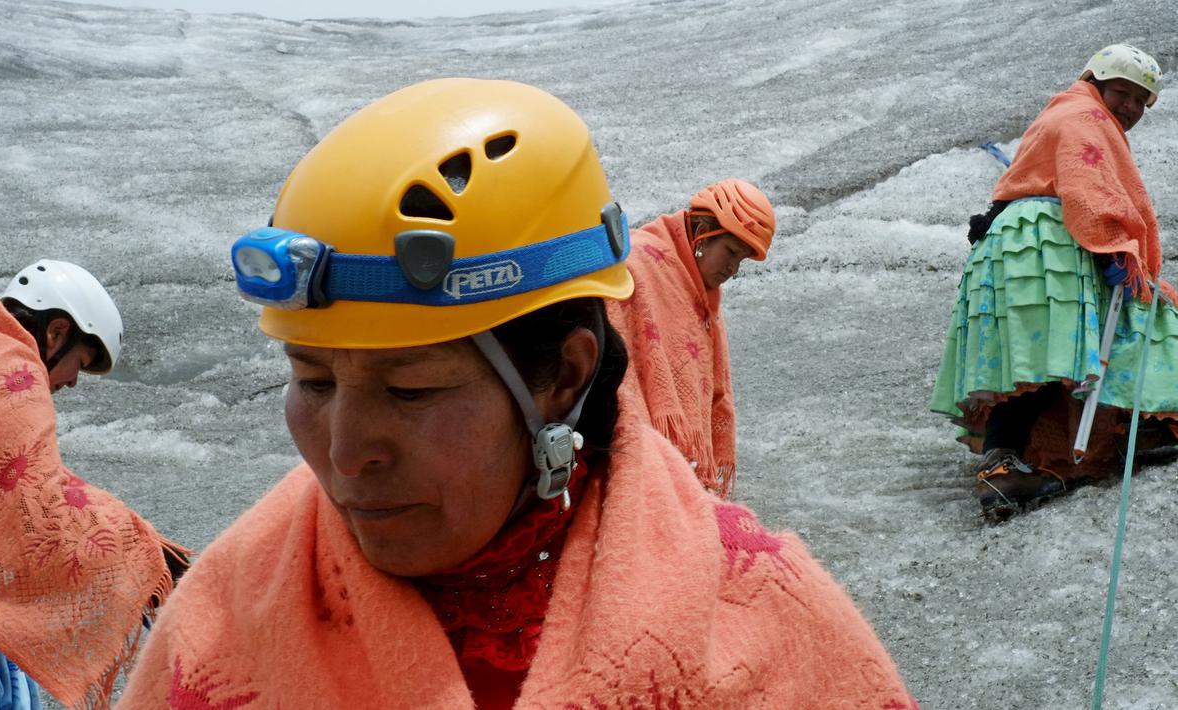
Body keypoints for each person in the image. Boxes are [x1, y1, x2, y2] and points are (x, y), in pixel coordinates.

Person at [118, 78, 914, 709]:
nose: (345, 451)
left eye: (411, 388)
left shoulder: (756, 627)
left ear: (563, 376)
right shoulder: (231, 616)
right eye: (311, 379)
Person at [931, 43, 1178, 521]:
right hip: (1049, 243)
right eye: (1122, 93)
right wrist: (1113, 246)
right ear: (1097, 81)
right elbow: (1088, 192)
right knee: (1140, 320)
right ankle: (1147, 427)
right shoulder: (1086, 119)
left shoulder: (1064, 110)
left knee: (1028, 357)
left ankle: (1001, 465)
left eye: (1139, 101)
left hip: (1010, 244)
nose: (1128, 107)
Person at [0, 260, 189, 709]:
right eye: (81, 361)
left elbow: (3, 482)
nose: (74, 381)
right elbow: (39, 512)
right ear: (56, 333)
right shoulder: (12, 376)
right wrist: (144, 558)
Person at [608, 179, 774, 497]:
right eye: (731, 252)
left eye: (740, 260)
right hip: (630, 445)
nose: (733, 268)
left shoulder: (700, 290)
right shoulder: (639, 265)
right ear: (701, 231)